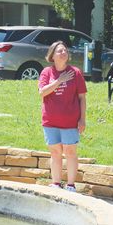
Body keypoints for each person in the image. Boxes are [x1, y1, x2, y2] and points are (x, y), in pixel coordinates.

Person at [39, 41, 87, 192]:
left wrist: (82, 119)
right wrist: (59, 80)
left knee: (70, 152)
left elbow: (82, 98)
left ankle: (71, 185)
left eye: (65, 51)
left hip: (70, 121)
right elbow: (42, 92)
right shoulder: (47, 72)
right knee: (55, 152)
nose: (63, 53)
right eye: (59, 51)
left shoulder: (76, 73)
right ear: (52, 55)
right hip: (50, 121)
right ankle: (56, 183)